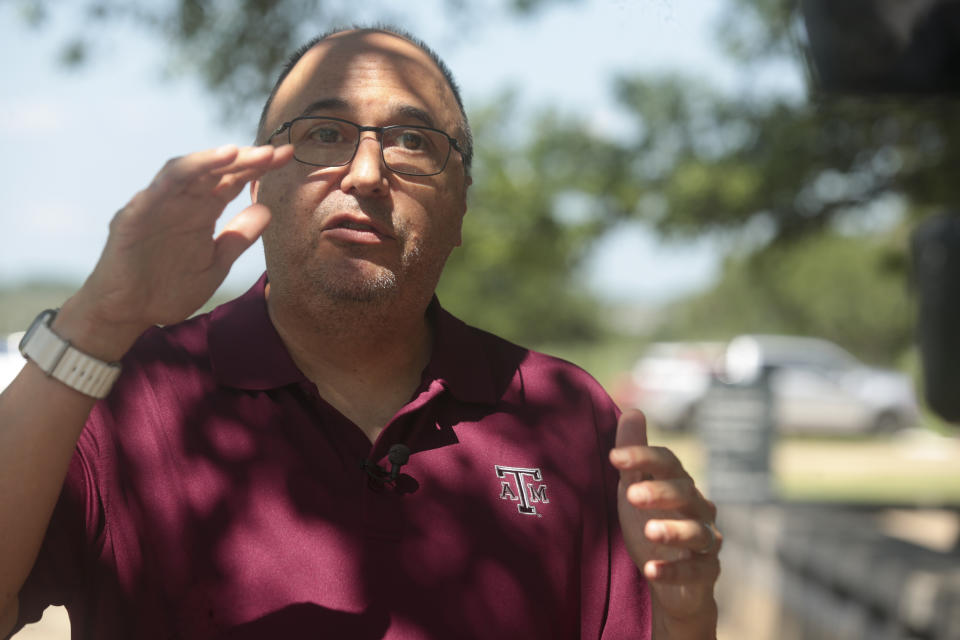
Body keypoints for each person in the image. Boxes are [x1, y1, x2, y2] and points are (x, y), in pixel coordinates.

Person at [0, 26, 721, 639]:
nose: (368, 172)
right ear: (259, 182)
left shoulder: (564, 414)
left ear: (462, 205)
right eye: (324, 134)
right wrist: (99, 317)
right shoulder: (128, 402)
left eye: (412, 140)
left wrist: (684, 613)